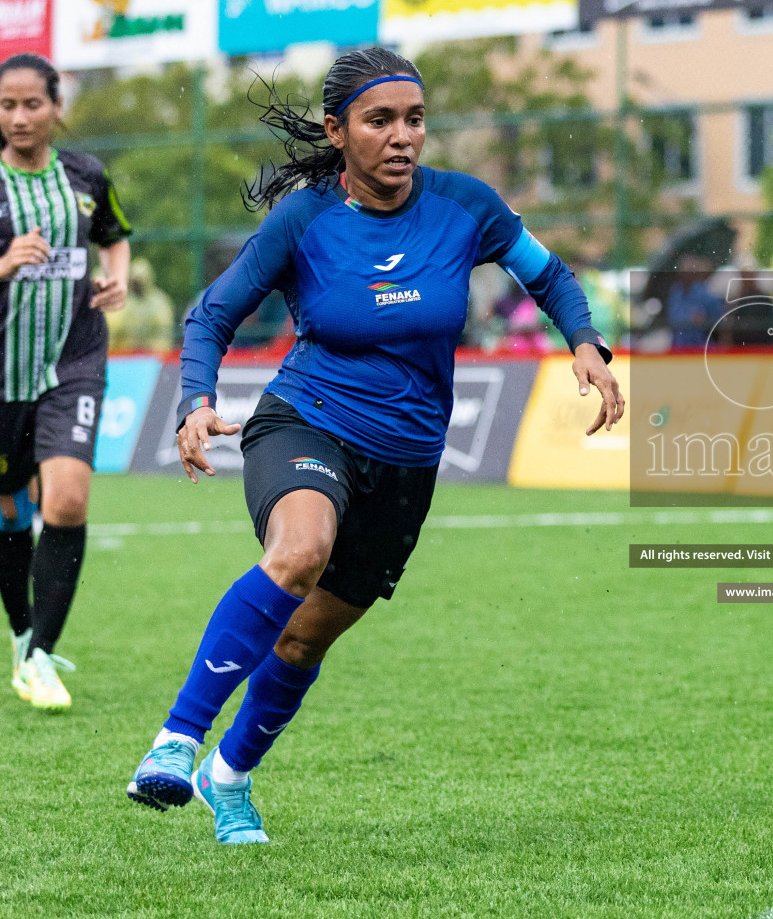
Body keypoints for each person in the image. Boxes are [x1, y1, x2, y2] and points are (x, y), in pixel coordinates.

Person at [124, 48, 622, 843]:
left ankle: (231, 777)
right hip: (307, 419)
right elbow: (212, 315)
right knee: (299, 550)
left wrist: (587, 342)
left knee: (305, 634)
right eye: (380, 120)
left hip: (408, 461)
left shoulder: (468, 207)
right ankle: (176, 741)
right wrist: (195, 399)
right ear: (337, 130)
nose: (402, 138)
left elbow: (550, 275)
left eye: (414, 120)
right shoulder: (304, 219)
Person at [0, 53, 133, 711]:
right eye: (7, 106)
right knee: (7, 514)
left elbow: (114, 237)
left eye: (33, 104)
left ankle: (39, 657)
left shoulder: (86, 176)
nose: (20, 117)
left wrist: (119, 277)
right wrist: (4, 263)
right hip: (2, 378)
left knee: (68, 501)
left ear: (57, 108)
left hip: (73, 364)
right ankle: (23, 633)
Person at [104, 257, 176, 352]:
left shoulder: (159, 302)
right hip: (125, 357)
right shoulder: (123, 301)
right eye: (135, 280)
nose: (137, 283)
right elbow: (113, 333)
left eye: (140, 279)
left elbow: (164, 335)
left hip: (153, 357)